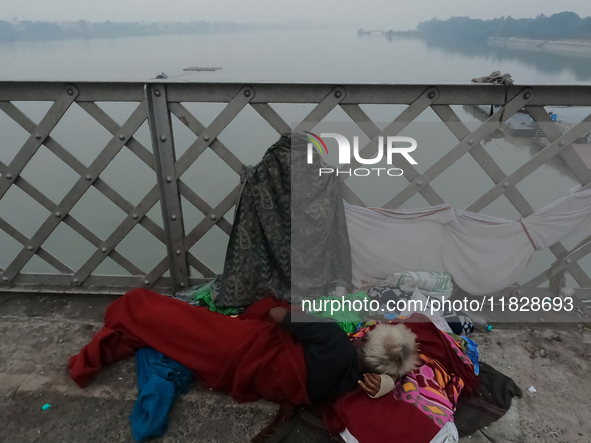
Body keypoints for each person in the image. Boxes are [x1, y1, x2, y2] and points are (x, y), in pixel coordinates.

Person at [69, 289, 418, 406]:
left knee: (142, 305)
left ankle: (127, 318)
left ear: (371, 338)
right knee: (173, 334)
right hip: (237, 373)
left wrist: (290, 312)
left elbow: (277, 314)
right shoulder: (348, 388)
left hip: (240, 346)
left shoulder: (333, 338)